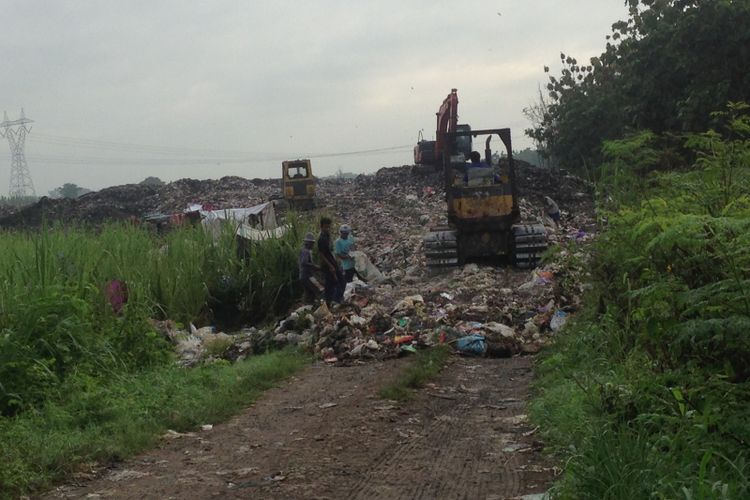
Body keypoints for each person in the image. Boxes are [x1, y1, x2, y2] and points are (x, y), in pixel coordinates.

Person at [317, 217, 344, 304]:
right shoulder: (321, 238)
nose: (327, 229)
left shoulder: (327, 235)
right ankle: (331, 303)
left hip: (332, 262)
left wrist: (336, 262)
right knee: (331, 285)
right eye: (325, 227)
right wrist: (330, 266)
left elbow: (330, 251)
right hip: (327, 265)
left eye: (329, 227)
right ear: (321, 227)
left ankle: (335, 301)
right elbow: (321, 254)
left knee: (339, 282)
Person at [298, 232, 320, 303]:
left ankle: (308, 307)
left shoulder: (305, 250)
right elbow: (304, 263)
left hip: (304, 275)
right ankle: (311, 305)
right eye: (312, 243)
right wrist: (314, 266)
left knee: (309, 292)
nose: (313, 245)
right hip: (307, 276)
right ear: (308, 243)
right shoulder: (306, 251)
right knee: (317, 289)